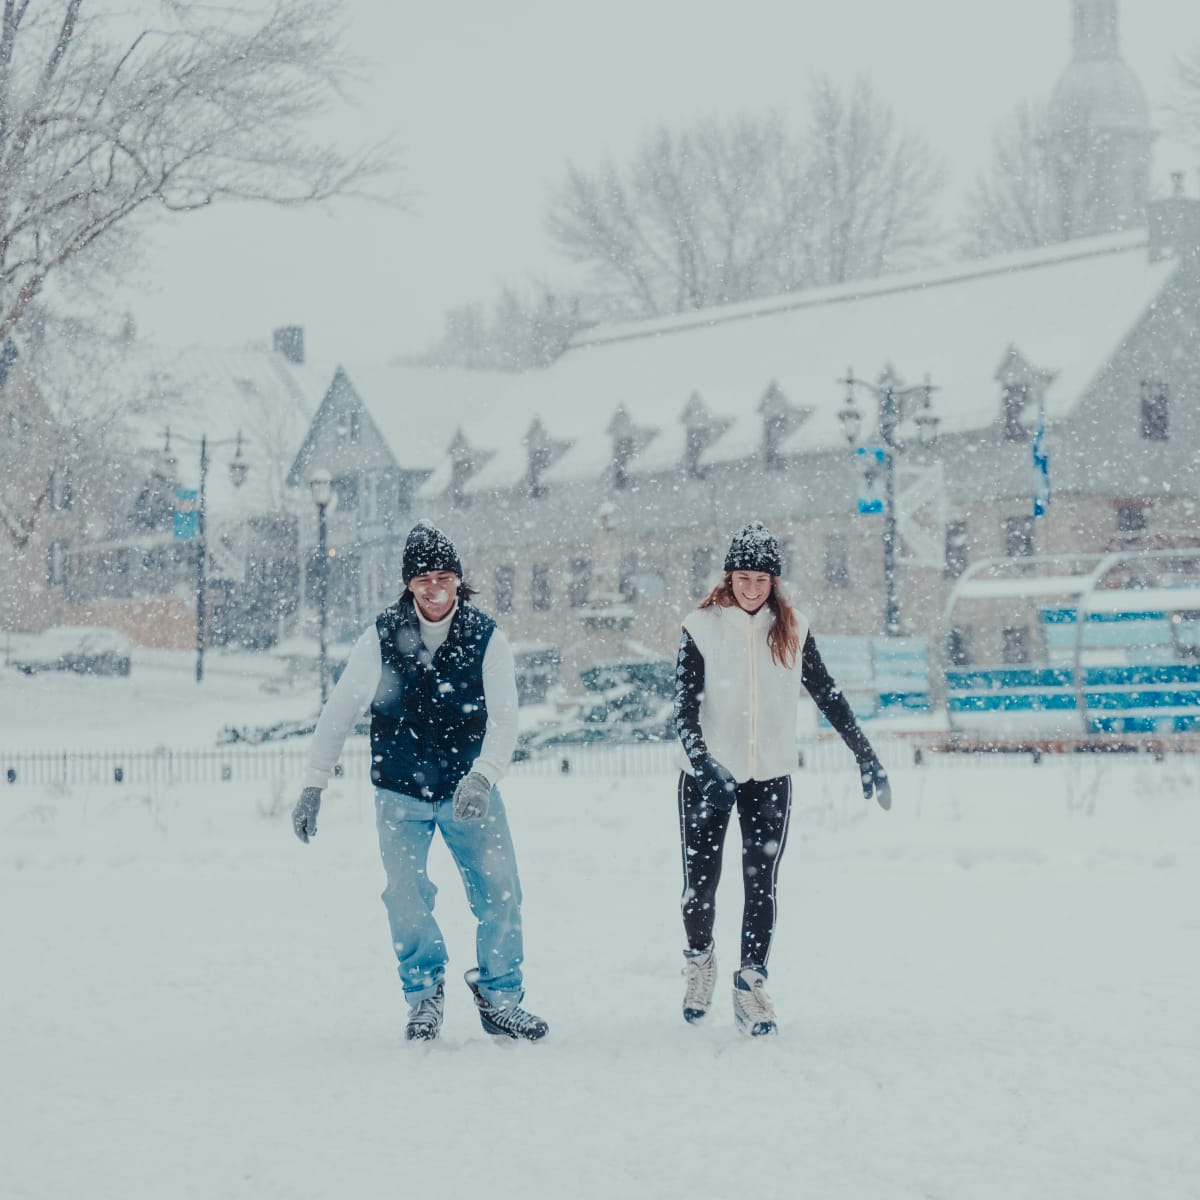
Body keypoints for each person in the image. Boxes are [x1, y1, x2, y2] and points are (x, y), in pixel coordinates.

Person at [291, 521, 549, 1044]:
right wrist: (314, 783)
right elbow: (338, 712)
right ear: (409, 584)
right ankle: (424, 994)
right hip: (400, 790)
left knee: (501, 891)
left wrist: (482, 777)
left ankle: (500, 997)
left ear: (459, 581)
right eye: (423, 578)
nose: (435, 588)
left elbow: (506, 721)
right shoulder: (382, 636)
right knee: (405, 896)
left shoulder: (486, 637)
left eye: (444, 577)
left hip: (468, 791)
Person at [673, 520, 891, 1038]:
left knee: (761, 885)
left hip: (770, 777)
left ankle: (750, 985)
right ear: (729, 578)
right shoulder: (700, 626)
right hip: (707, 779)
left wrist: (866, 754)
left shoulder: (793, 628)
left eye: (762, 579)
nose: (752, 588)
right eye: (743, 577)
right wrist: (705, 764)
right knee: (700, 885)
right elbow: (682, 709)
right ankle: (700, 963)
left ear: (774, 582)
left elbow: (828, 694)